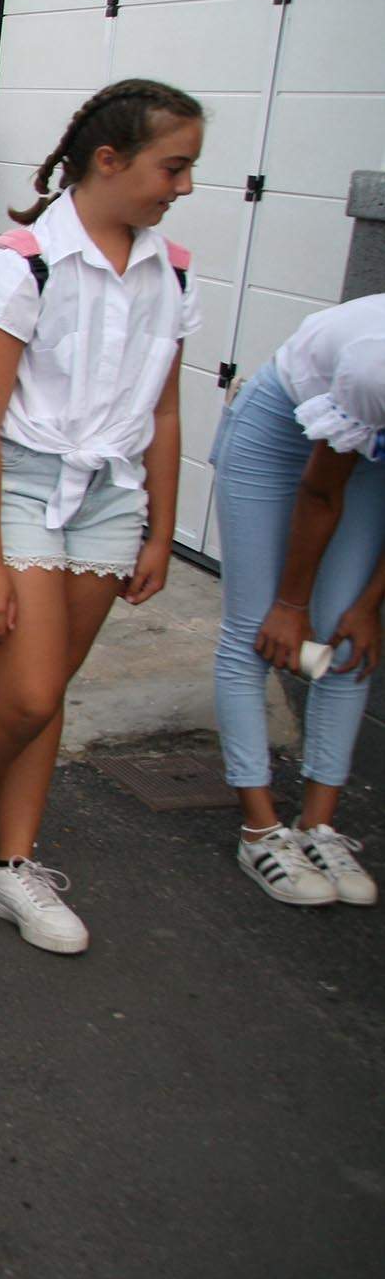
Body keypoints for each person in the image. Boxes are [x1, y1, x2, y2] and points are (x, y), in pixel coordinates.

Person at [0, 79, 204, 955]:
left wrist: (159, 529)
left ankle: (13, 864)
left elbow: (166, 411)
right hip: (19, 483)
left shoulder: (172, 269)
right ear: (109, 160)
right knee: (28, 691)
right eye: (172, 167)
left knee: (46, 694)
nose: (184, 185)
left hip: (111, 492)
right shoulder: (21, 264)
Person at [209, 295, 385, 906]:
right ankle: (260, 830)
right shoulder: (377, 360)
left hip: (367, 452)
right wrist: (290, 606)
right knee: (255, 628)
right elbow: (320, 493)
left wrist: (368, 605)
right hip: (277, 432)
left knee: (347, 638)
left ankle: (318, 827)